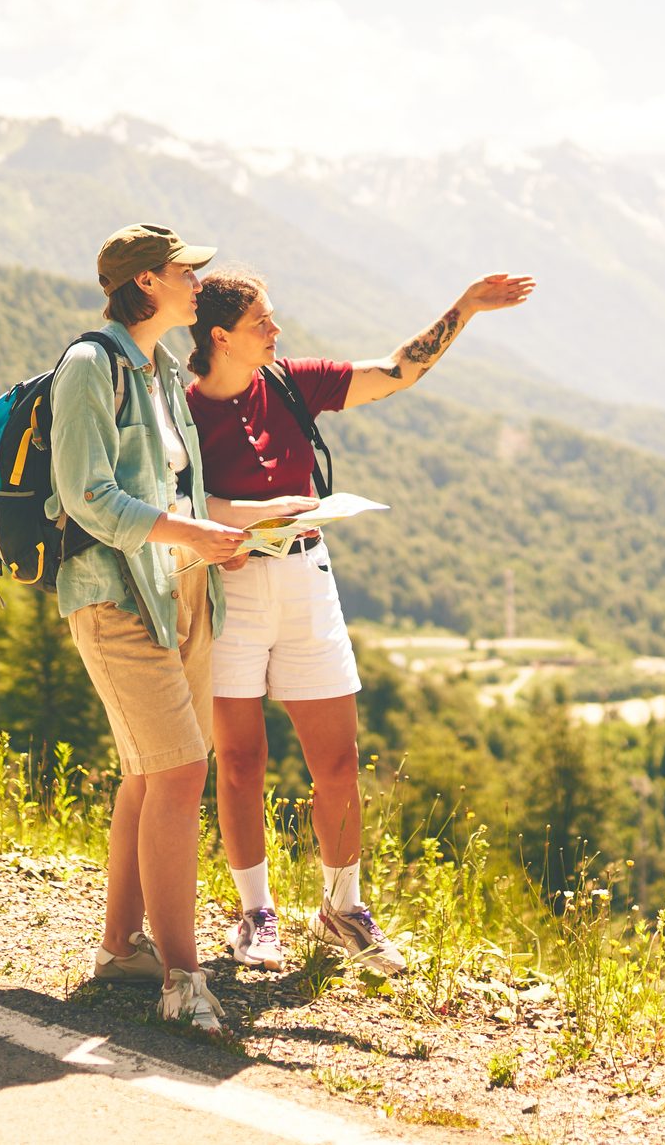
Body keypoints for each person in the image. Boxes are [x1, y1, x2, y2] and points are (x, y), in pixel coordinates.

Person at [185, 268, 535, 974]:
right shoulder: (183, 412)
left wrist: (464, 308)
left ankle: (342, 907)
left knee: (338, 763)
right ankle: (255, 915)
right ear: (220, 336)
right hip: (234, 593)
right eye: (263, 323)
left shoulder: (289, 383)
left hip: (309, 580)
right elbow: (174, 503)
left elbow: (395, 371)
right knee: (242, 762)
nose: (276, 332)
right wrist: (242, 520)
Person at [50, 224, 299, 1032]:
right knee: (182, 771)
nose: (201, 279)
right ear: (148, 283)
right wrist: (187, 535)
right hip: (116, 598)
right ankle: (184, 979)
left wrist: (227, 535)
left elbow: (178, 491)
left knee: (148, 774)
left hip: (181, 589)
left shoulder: (157, 370)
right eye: (186, 270)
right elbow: (87, 494)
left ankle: (123, 949)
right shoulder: (92, 367)